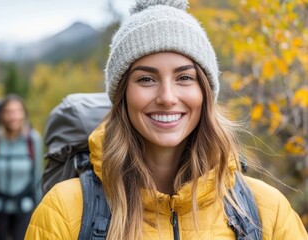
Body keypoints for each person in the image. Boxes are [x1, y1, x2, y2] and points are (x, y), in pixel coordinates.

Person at [25, 0, 308, 239]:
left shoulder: (266, 213)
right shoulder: (64, 211)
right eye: (146, 79)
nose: (167, 97)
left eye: (184, 77)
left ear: (205, 92)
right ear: (123, 94)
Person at [0, 94, 43, 240]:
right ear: (1, 115)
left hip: (24, 208)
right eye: (9, 112)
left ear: (24, 114)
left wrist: (40, 212)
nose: (14, 116)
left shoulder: (33, 140)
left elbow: (38, 177)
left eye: (18, 111)